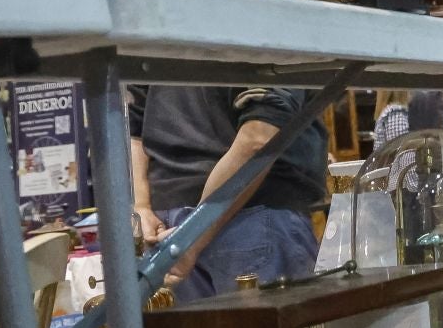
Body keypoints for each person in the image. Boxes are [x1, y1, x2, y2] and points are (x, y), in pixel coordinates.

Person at [129, 85, 329, 301]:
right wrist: (191, 237)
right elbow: (259, 136)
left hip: (169, 223)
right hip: (251, 214)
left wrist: (141, 206)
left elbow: (132, 124)